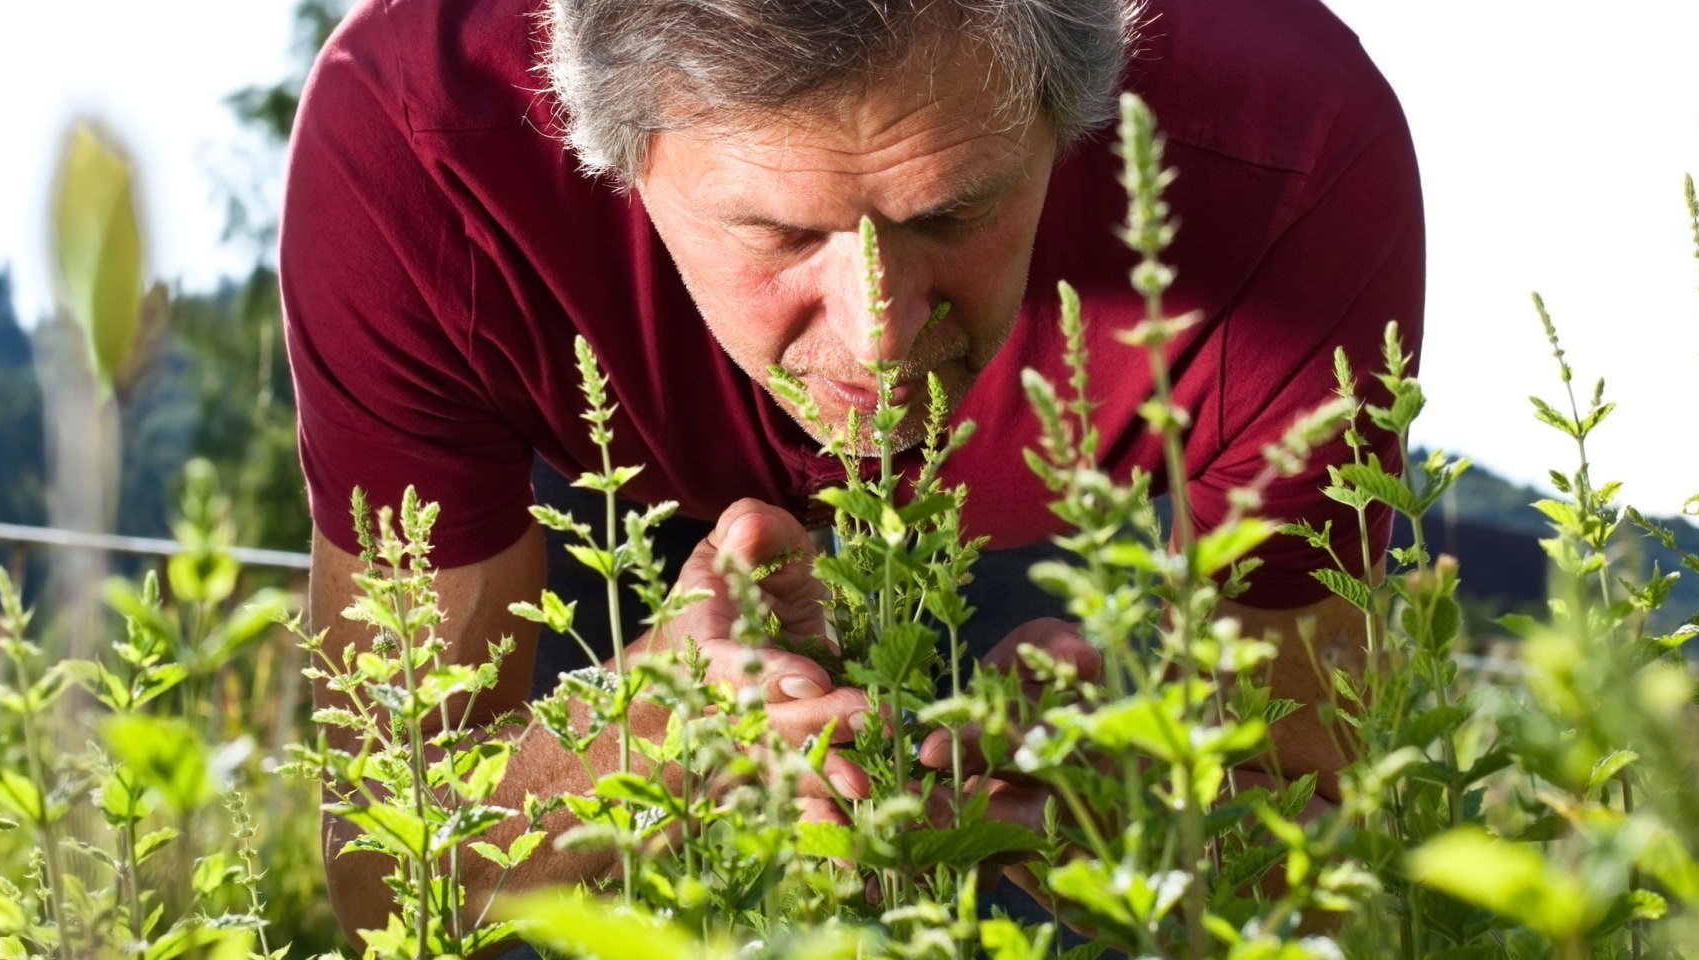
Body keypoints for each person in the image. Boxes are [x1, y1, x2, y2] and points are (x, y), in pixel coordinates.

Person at [282, 0, 1424, 943]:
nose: (879, 339)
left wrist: (1165, 797)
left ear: (1069, 119)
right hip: (601, 468)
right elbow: (389, 878)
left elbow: (1311, 843)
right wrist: (638, 730)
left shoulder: (1292, 157)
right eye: (778, 235)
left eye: (956, 212)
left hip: (1072, 500)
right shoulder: (416, 141)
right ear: (607, 151)